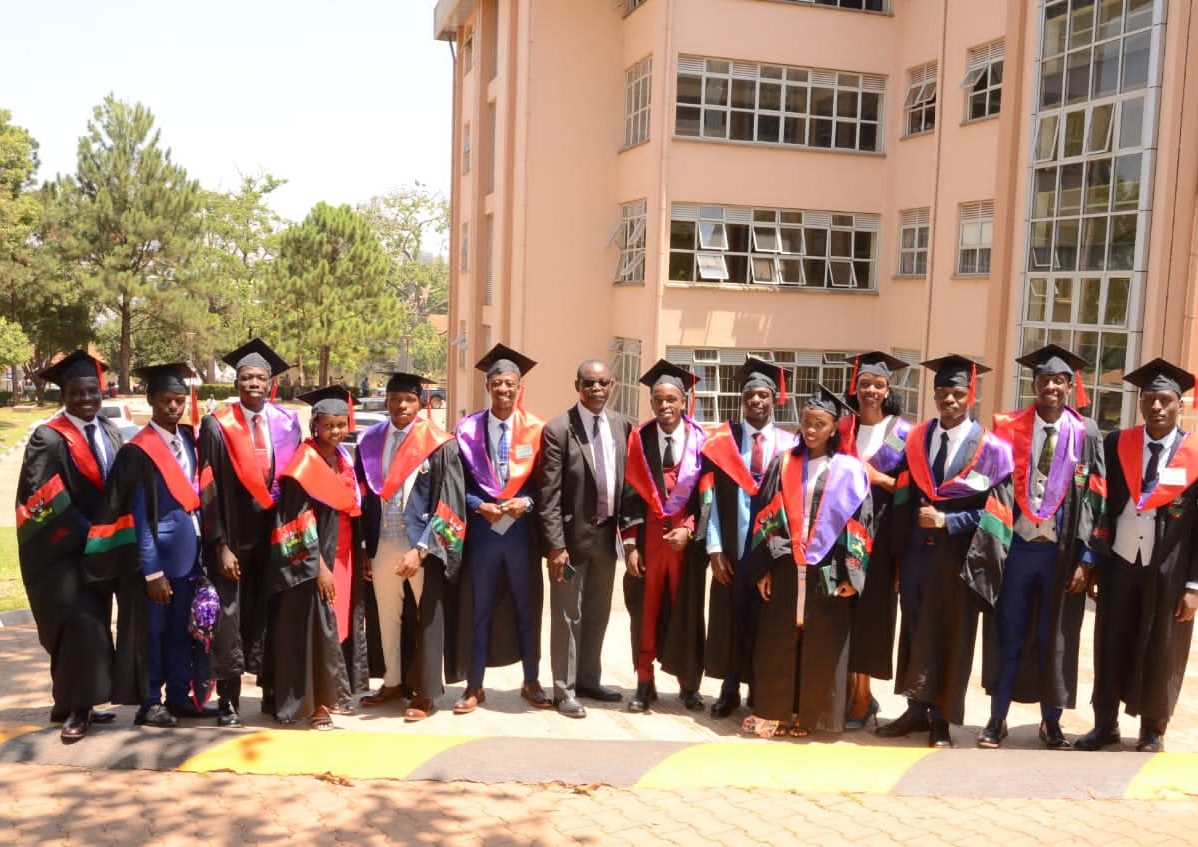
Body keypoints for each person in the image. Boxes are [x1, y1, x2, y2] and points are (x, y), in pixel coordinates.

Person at [876, 354, 1014, 748]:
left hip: (961, 559)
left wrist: (949, 521)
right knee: (916, 627)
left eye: (956, 394)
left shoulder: (992, 450)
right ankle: (916, 710)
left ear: (970, 396)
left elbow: (998, 513)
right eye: (942, 394)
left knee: (951, 634)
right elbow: (900, 483)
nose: (948, 401)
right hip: (919, 555)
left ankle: (941, 718)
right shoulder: (917, 438)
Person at [982, 344, 1105, 749]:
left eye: (1059, 380)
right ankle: (997, 718)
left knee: (1056, 637)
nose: (1051, 386)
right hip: (1016, 549)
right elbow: (990, 485)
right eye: (1044, 379)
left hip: (1059, 553)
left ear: (1070, 386)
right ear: (1033, 384)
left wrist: (1086, 558)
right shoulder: (1008, 427)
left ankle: (1051, 722)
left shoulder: (1085, 432)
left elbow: (1095, 496)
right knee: (1009, 632)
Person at [1076, 358, 1198, 753]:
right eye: (1149, 399)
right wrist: (1094, 559)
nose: (1157, 408)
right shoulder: (1117, 444)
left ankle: (1152, 729)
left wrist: (1194, 585)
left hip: (1170, 570)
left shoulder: (1194, 454)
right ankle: (1105, 724)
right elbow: (1100, 505)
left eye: (1165, 400)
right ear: (1140, 402)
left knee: (1160, 645)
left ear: (1180, 404)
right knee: (1111, 640)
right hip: (1121, 562)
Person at [85, 362, 209, 729]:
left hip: (189, 557)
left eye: (179, 400)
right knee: (152, 635)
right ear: (151, 401)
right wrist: (152, 570)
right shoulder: (138, 452)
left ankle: (178, 698)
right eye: (166, 400)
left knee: (179, 633)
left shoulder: (187, 439)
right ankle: (150, 701)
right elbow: (137, 518)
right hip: (157, 563)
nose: (174, 407)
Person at [744, 386, 872, 737]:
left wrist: (852, 573)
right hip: (786, 564)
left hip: (828, 570)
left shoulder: (849, 470)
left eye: (820, 423)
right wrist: (765, 567)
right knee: (780, 639)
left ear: (834, 428)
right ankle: (780, 713)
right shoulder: (784, 462)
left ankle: (811, 718)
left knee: (822, 643)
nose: (811, 429)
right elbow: (766, 514)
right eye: (806, 422)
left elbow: (859, 524)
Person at [16, 351, 121, 742]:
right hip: (62, 552)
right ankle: (78, 709)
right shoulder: (50, 437)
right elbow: (42, 496)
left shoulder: (109, 430)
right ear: (65, 396)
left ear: (101, 390)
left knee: (94, 621)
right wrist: (88, 534)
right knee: (80, 626)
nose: (87, 400)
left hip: (101, 550)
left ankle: (74, 702)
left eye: (92, 392)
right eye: (77, 393)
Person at [198, 338, 302, 728]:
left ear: (271, 383)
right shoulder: (217, 425)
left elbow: (292, 481)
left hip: (274, 536)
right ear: (236, 381)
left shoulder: (288, 422)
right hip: (233, 536)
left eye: (260, 377)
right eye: (245, 378)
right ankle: (228, 701)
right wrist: (219, 544)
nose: (253, 383)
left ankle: (273, 693)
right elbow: (207, 486)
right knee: (230, 618)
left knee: (273, 614)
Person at [356, 371, 467, 721]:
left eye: (408, 399)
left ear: (421, 403)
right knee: (387, 615)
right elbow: (360, 497)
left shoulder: (439, 443)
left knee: (428, 618)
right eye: (394, 399)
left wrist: (421, 549)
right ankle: (391, 682)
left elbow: (450, 503)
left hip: (422, 546)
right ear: (386, 402)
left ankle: (426, 692)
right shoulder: (370, 440)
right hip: (381, 542)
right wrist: (364, 546)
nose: (400, 405)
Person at [452, 344, 549, 714]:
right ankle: (475, 686)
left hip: (522, 535)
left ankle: (532, 680)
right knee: (479, 609)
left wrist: (526, 503)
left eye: (510, 384)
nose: (503, 390)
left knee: (528, 608)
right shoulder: (467, 431)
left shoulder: (537, 430)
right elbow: (454, 484)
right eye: (497, 384)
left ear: (519, 386)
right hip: (483, 535)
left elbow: (548, 487)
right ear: (488, 387)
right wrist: (478, 505)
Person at [701, 356, 797, 719]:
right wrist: (713, 549)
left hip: (773, 554)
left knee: (767, 623)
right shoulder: (722, 442)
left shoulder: (791, 446)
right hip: (733, 551)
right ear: (742, 400)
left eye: (763, 395)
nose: (756, 402)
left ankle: (760, 687)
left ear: (775, 399)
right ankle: (728, 689)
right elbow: (707, 498)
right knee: (730, 620)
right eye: (749, 396)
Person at [537, 360, 634, 717]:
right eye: (589, 383)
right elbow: (548, 495)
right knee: (567, 615)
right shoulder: (559, 429)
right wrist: (555, 546)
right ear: (576, 385)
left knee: (597, 612)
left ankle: (589, 679)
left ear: (613, 385)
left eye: (603, 383)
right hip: (571, 540)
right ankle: (564, 690)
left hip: (608, 536)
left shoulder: (622, 425)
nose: (596, 389)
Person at [267, 386, 361, 729]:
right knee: (318, 631)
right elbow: (298, 523)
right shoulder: (303, 465)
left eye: (341, 424)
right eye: (328, 425)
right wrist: (319, 568)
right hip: (317, 563)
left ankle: (335, 694)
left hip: (346, 556)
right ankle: (318, 704)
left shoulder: (344, 459)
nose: (335, 431)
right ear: (315, 426)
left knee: (337, 629)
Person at [621, 360, 708, 713]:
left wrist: (690, 528)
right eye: (658, 400)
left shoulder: (702, 441)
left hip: (685, 544)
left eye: (671, 399)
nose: (665, 406)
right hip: (650, 542)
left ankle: (688, 685)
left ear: (684, 401)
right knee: (645, 613)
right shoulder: (639, 440)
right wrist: (630, 545)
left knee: (686, 612)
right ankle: (644, 682)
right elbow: (628, 493)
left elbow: (708, 496)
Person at [838, 352, 912, 729]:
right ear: (855, 386)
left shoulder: (903, 434)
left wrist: (877, 477)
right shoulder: (842, 428)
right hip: (843, 536)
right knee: (843, 614)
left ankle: (862, 699)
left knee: (870, 617)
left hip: (882, 537)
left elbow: (914, 488)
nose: (870, 390)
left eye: (878, 384)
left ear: (887, 389)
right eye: (864, 382)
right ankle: (850, 694)